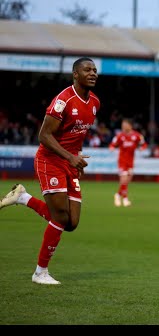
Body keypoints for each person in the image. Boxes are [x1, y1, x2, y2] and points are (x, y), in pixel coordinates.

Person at [0, 57, 100, 285]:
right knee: (60, 217)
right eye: (87, 70)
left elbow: (75, 135)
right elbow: (44, 136)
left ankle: (23, 198)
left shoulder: (94, 102)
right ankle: (40, 272)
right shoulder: (63, 101)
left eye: (95, 70)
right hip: (50, 160)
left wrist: (76, 159)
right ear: (75, 74)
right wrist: (69, 157)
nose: (93, 73)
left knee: (71, 223)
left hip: (69, 162)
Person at [109, 118, 148, 207]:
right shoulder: (120, 136)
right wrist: (111, 147)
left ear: (130, 126)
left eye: (125, 125)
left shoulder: (137, 136)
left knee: (128, 179)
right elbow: (112, 144)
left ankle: (118, 195)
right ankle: (125, 199)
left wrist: (142, 148)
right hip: (122, 161)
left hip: (130, 161)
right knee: (124, 178)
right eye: (123, 125)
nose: (123, 126)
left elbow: (144, 144)